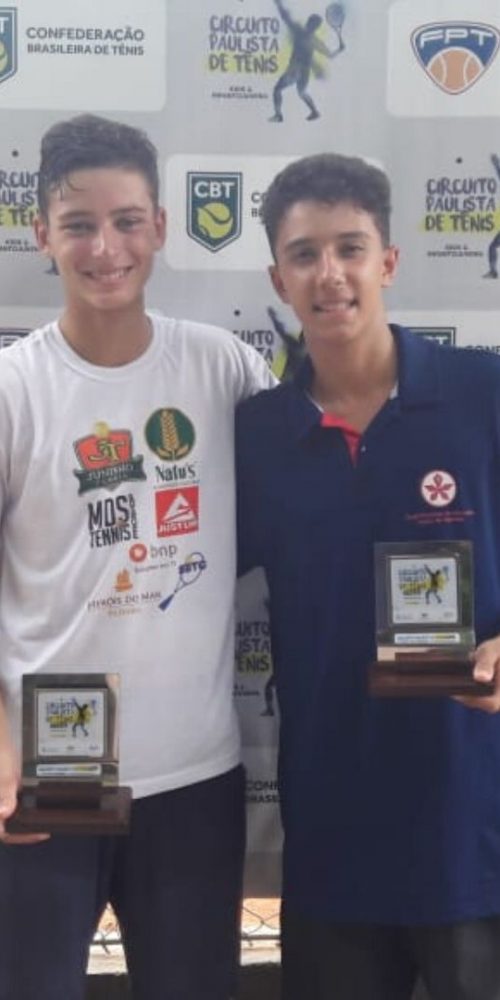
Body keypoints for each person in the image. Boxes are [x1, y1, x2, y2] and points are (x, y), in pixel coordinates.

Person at [0, 113, 274, 1000]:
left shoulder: (223, 369)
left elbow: (326, 495)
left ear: (159, 225)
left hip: (194, 778)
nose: (105, 248)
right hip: (46, 776)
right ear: (41, 235)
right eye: (78, 224)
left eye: (126, 221)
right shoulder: (13, 390)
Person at [236, 152, 500, 1000]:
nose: (330, 274)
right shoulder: (258, 435)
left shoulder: (483, 393)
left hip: (474, 835)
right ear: (278, 279)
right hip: (332, 838)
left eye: (350, 248)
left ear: (388, 260)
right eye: (304, 254)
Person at [269, 0, 344, 123]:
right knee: (302, 92)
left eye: (311, 23)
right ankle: (314, 111)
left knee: (277, 89)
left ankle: (278, 115)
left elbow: (285, 17)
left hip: (295, 70)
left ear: (309, 23)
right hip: (305, 72)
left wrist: (278, 4)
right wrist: (340, 49)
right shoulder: (315, 41)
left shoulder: (299, 31)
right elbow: (330, 55)